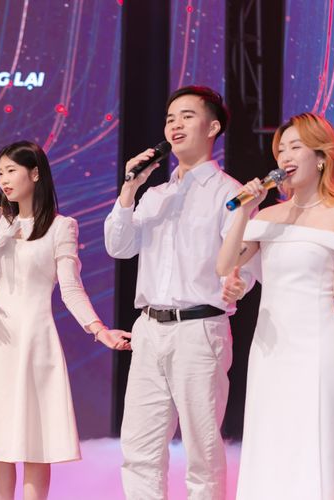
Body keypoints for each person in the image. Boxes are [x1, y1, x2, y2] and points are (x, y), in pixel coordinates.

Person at [0, 140, 131, 500]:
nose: (4, 180)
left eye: (11, 170)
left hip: (35, 337)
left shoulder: (61, 226)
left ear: (35, 173)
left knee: (35, 441)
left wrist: (99, 330)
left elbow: (70, 288)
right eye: (0, 173)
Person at [104, 86, 254, 500]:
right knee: (139, 448)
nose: (175, 125)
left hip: (199, 329)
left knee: (202, 451)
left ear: (213, 127)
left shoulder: (230, 193)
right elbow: (119, 246)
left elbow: (244, 262)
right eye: (170, 118)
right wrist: (129, 190)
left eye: (187, 116)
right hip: (149, 328)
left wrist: (238, 282)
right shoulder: (155, 194)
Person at [216, 112, 334, 500]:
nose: (285, 157)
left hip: (317, 345)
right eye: (281, 150)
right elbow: (224, 266)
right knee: (272, 437)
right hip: (271, 346)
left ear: (321, 158)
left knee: (316, 437)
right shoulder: (268, 216)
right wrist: (244, 212)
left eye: (296, 147)